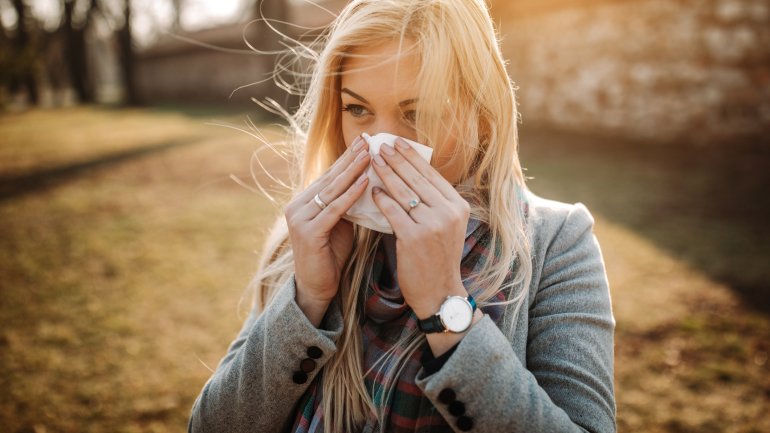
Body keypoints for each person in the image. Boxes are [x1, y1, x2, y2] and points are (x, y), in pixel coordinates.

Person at [188, 0, 616, 432]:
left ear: (482, 116)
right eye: (357, 110)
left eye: (417, 113)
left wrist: (444, 304)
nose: (382, 144)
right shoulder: (306, 235)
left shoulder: (557, 242)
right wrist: (307, 301)